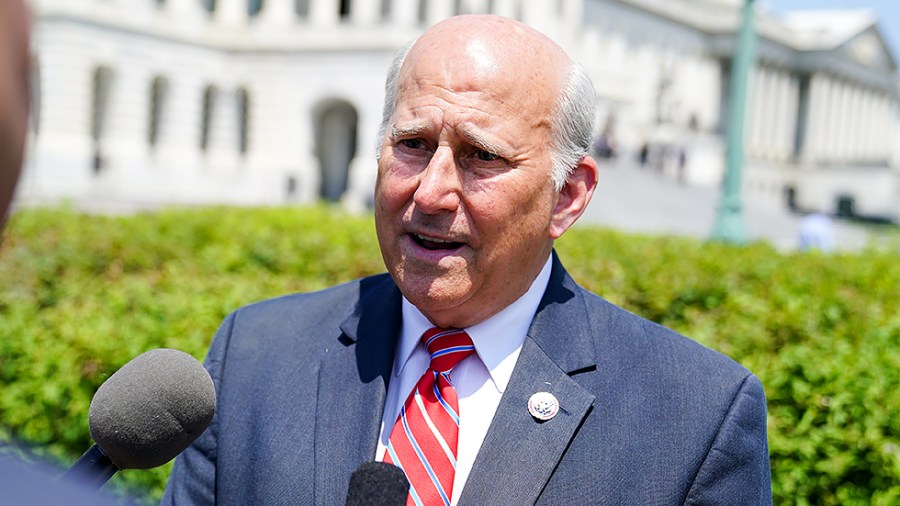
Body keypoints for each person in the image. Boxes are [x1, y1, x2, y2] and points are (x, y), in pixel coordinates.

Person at [163, 14, 771, 505]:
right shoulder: (253, 356)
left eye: (481, 156)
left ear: (567, 196)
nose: (430, 192)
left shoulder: (694, 418)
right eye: (412, 145)